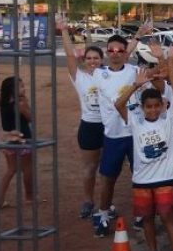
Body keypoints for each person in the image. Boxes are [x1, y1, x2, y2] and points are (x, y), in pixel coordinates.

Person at [114, 68, 173, 251]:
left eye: (157, 106)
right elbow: (118, 104)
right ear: (142, 107)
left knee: (166, 215)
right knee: (146, 218)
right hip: (142, 179)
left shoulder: (169, 120)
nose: (153, 110)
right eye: (149, 107)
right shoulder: (135, 122)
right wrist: (136, 86)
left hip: (165, 177)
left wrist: (166, 74)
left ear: (163, 106)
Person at [91, 24, 147, 237]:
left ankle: (141, 214)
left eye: (120, 50)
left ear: (126, 53)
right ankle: (103, 214)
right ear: (106, 52)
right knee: (108, 178)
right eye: (111, 50)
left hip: (135, 134)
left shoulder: (135, 71)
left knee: (139, 176)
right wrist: (135, 85)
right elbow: (117, 102)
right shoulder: (99, 74)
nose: (115, 54)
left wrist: (139, 36)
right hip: (113, 135)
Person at [59, 18, 102, 218]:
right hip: (89, 127)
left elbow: (125, 53)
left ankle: (105, 205)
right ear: (84, 61)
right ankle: (88, 200)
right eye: (89, 58)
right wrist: (64, 30)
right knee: (90, 168)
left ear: (102, 60)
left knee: (110, 170)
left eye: (96, 58)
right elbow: (69, 54)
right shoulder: (80, 78)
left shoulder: (109, 76)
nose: (92, 61)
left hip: (110, 127)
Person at [0, 77, 36, 208]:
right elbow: (30, 118)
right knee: (28, 169)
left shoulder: (4, 103)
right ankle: (29, 197)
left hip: (9, 139)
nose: (24, 89)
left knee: (11, 170)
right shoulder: (20, 103)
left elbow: (6, 126)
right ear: (12, 90)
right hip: (23, 139)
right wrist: (25, 103)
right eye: (21, 86)